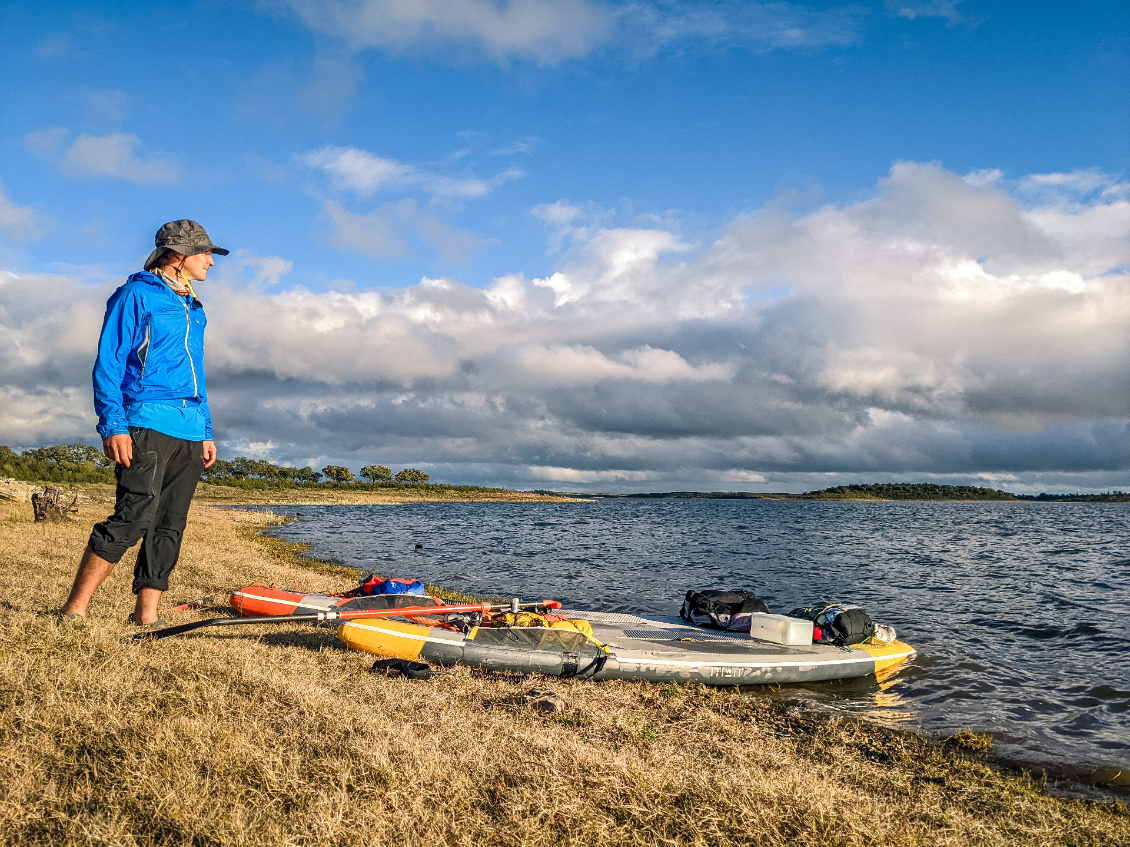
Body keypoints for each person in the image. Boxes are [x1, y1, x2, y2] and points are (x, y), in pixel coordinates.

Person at [60, 220, 227, 626]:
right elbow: (109, 362)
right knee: (134, 515)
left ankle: (146, 616)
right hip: (144, 420)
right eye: (204, 252)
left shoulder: (193, 304)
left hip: (189, 427)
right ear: (177, 255)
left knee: (170, 523)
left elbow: (196, 372)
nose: (211, 260)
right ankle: (73, 610)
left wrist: (205, 429)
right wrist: (113, 425)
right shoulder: (135, 295)